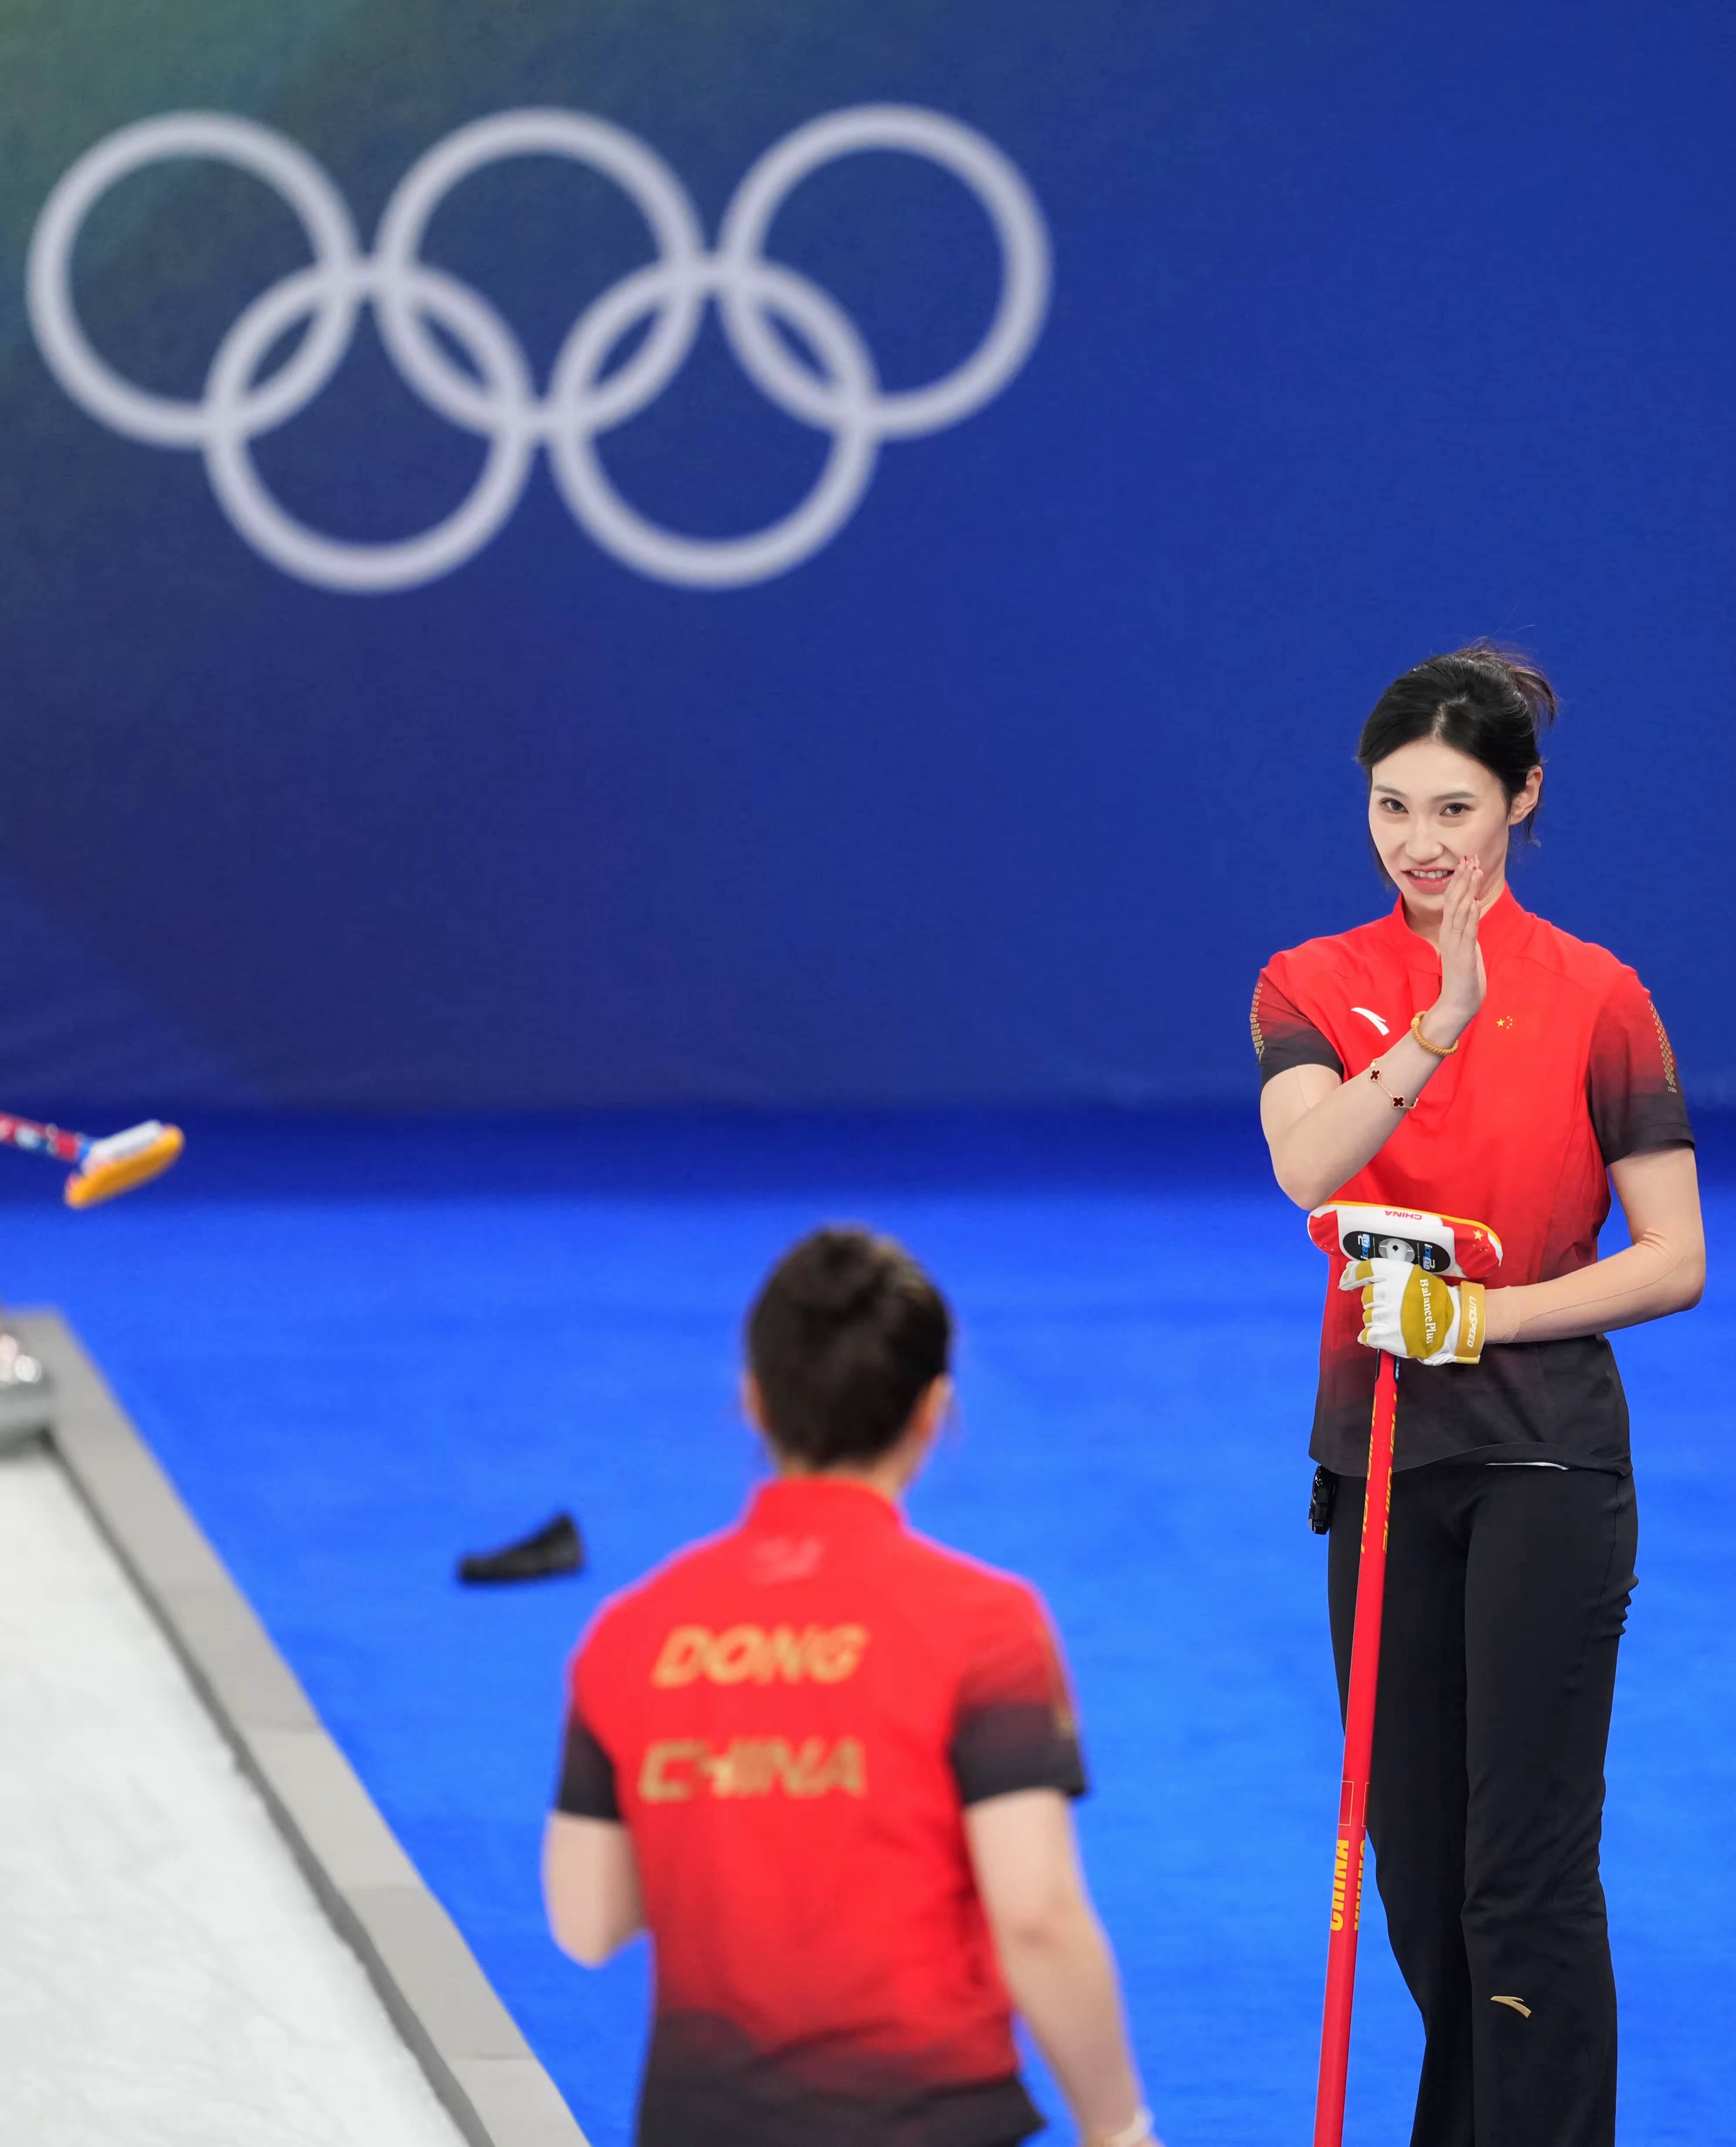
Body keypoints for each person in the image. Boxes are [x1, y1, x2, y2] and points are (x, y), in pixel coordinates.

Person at [1252, 643, 1704, 2147]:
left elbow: (1673, 1261)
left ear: (1521, 800)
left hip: (1544, 1466)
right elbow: (1306, 1171)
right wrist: (1435, 1017)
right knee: (1417, 1882)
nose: (1419, 843)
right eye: (1389, 806)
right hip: (1377, 1461)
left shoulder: (1599, 998)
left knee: (1520, 1874)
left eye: (1453, 807)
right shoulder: (1311, 983)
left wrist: (1480, 1316)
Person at [542, 1224, 1156, 2147]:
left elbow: (588, 1919)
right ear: (931, 1409)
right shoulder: (986, 1622)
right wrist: (1119, 2128)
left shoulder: (630, 1629)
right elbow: (1034, 1914)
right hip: (927, 2116)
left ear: (754, 1400)